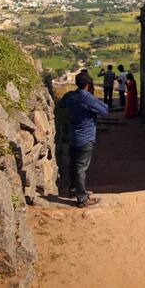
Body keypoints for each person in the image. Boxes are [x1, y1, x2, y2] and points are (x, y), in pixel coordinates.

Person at [59, 74, 107, 208]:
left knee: (73, 165)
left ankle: (74, 190)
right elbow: (105, 110)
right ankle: (82, 198)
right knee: (81, 168)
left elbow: (61, 104)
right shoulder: (88, 98)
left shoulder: (70, 96)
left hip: (73, 136)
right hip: (86, 137)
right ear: (88, 84)